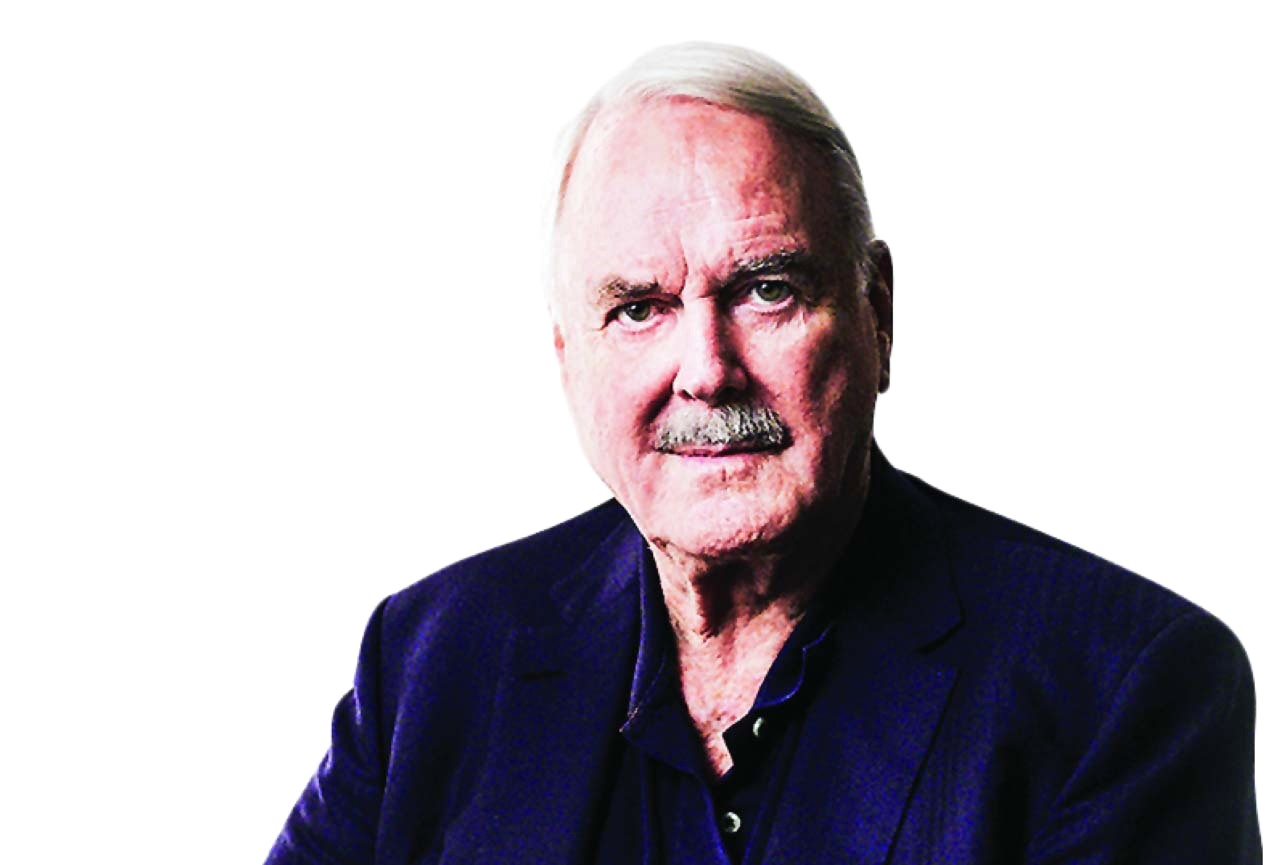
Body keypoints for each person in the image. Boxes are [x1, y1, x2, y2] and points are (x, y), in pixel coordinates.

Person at [265, 43, 1260, 864]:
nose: (706, 370)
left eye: (766, 290)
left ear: (875, 313)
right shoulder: (433, 658)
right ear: (567, 359)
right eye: (638, 308)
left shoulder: (1123, 688)